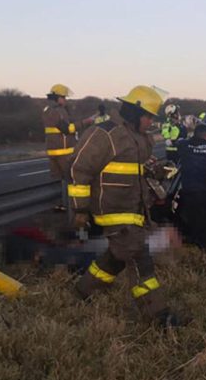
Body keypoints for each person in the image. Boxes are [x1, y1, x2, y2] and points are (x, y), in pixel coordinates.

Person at [68, 85, 178, 327]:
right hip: (112, 211)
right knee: (140, 258)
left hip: (134, 210)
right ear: (133, 111)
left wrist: (158, 170)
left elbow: (136, 170)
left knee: (116, 257)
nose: (151, 121)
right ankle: (158, 316)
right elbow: (79, 169)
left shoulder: (140, 139)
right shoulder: (105, 134)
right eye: (148, 115)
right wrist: (79, 209)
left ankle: (82, 292)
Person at [176, 122, 206, 248]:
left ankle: (193, 240)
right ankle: (204, 245)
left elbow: (180, 143)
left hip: (189, 191)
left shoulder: (185, 146)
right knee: (205, 221)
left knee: (192, 218)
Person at [42, 84, 77, 211]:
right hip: (64, 152)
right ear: (58, 97)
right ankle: (72, 206)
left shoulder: (46, 109)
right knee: (71, 179)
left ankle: (59, 204)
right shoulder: (58, 111)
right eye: (64, 97)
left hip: (52, 152)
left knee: (56, 180)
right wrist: (86, 122)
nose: (65, 100)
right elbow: (67, 129)